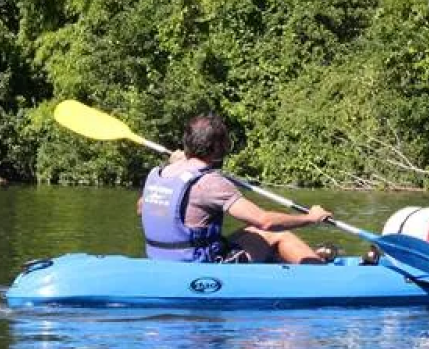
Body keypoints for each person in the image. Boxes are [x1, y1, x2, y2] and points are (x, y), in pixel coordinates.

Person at [139, 113, 335, 264]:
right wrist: (311, 218)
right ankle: (321, 274)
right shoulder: (210, 183)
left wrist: (178, 163)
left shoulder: (160, 172)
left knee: (252, 232)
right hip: (200, 265)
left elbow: (142, 208)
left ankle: (302, 260)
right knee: (276, 234)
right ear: (218, 148)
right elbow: (265, 221)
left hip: (163, 260)